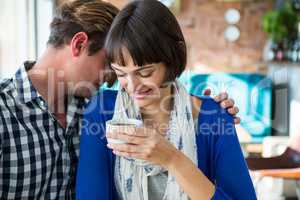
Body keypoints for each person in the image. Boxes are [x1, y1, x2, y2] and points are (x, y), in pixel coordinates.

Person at [0, 0, 239, 199]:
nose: (114, 81)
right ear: (79, 44)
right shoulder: (6, 111)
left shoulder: (92, 106)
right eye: (114, 68)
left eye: (143, 71)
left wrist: (211, 112)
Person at [76, 1, 256, 200]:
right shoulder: (101, 112)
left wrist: (173, 159)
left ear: (171, 59)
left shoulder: (214, 117)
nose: (132, 85)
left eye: (145, 72)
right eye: (121, 73)